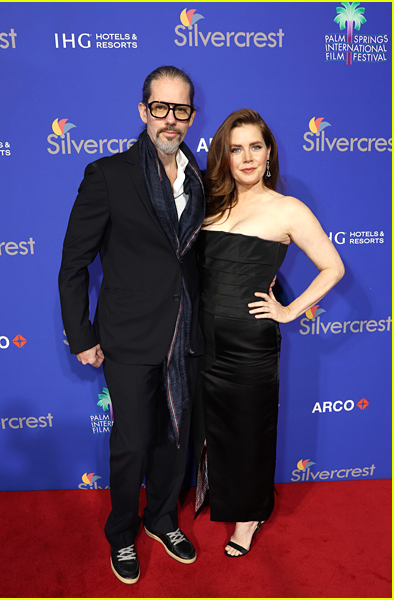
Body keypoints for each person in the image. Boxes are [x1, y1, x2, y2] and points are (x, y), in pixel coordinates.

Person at [58, 66, 205, 584]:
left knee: (176, 441)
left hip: (186, 336)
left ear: (191, 115)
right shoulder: (108, 175)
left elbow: (202, 259)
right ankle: (122, 532)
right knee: (134, 442)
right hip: (127, 335)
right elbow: (73, 263)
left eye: (181, 110)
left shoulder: (202, 180)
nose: (171, 120)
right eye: (160, 108)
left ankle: (162, 519)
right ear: (143, 110)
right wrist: (81, 335)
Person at [194, 108, 344, 557]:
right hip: (201, 341)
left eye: (255, 147)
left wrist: (289, 310)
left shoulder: (288, 209)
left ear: (269, 152)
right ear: (224, 154)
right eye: (236, 148)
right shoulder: (209, 202)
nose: (246, 157)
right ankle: (214, 494)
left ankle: (249, 515)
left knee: (247, 431)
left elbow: (332, 266)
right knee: (206, 429)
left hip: (249, 345)